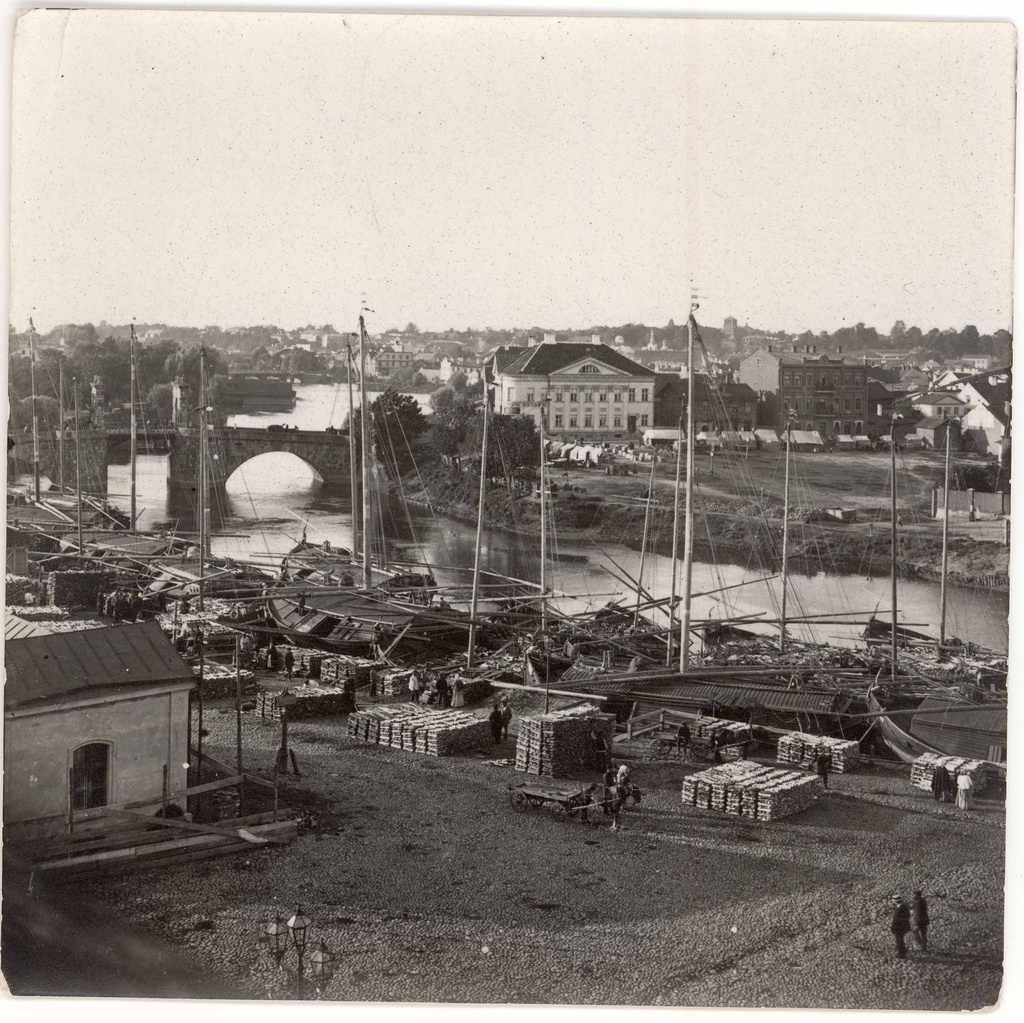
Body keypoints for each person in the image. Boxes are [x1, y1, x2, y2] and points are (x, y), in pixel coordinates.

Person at [890, 895, 911, 959]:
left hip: (899, 928)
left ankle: (902, 954)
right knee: (900, 940)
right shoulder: (904, 907)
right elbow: (907, 916)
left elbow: (896, 920)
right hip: (903, 927)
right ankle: (901, 951)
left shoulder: (900, 908)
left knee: (899, 940)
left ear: (895, 902)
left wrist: (893, 927)